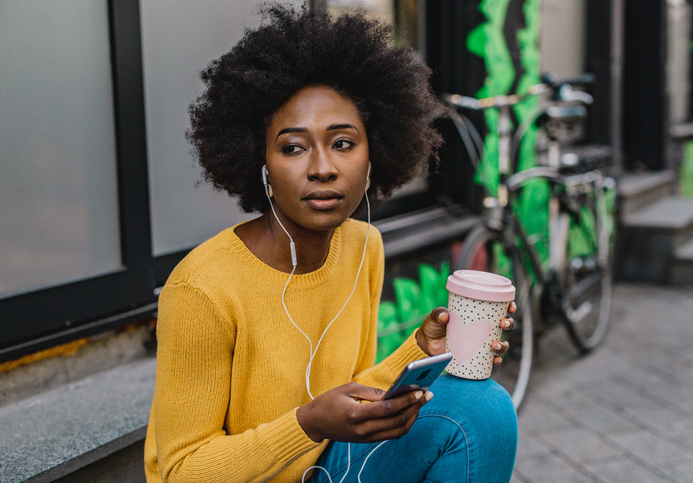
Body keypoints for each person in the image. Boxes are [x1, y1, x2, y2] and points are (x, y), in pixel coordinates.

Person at [144, 5, 518, 482]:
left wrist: (421, 351)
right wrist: (307, 424)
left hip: (329, 466)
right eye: (293, 147)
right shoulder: (203, 289)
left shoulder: (363, 246)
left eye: (343, 142)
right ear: (261, 163)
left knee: (483, 405)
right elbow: (179, 473)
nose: (322, 167)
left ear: (374, 154)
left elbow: (355, 396)